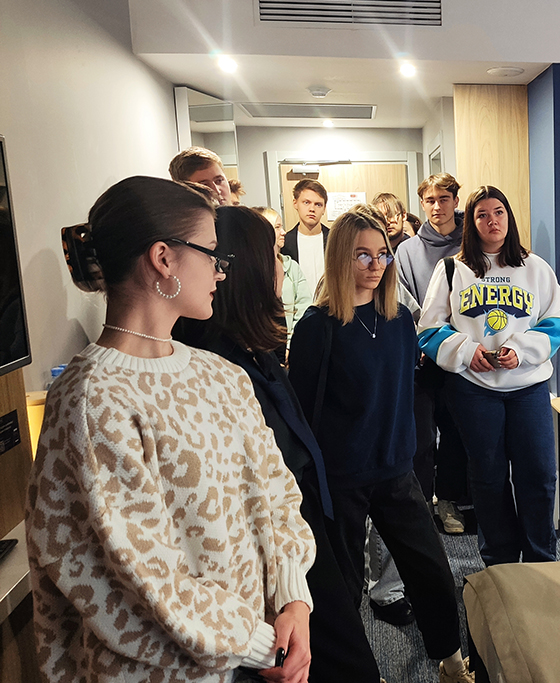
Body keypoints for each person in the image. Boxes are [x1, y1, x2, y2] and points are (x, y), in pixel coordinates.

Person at [28, 176, 315, 683]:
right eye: (211, 253)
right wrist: (261, 646)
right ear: (163, 258)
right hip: (164, 670)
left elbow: (275, 491)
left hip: (254, 647)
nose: (221, 270)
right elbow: (138, 577)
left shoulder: (219, 374)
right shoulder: (94, 398)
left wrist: (294, 600)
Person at [174, 205, 382, 683]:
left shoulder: (255, 347)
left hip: (300, 530)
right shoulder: (216, 366)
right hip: (275, 549)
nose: (281, 265)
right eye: (272, 254)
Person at [288, 205, 474, 683]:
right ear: (340, 258)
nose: (375, 265)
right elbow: (303, 413)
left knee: (432, 572)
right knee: (343, 590)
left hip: (396, 471)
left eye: (382, 254)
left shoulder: (399, 321)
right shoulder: (317, 327)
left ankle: (452, 663)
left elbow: (404, 393)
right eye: (362, 255)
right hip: (341, 480)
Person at [418, 185, 560, 566]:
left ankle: (540, 560)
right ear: (470, 222)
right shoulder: (452, 269)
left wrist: (522, 349)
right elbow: (429, 329)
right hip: (474, 390)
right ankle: (499, 564)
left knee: (539, 474)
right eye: (482, 215)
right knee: (488, 478)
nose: (492, 221)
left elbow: (557, 322)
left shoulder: (535, 268)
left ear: (509, 217)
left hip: (528, 388)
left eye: (499, 212)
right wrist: (466, 351)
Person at [395, 173, 470, 535]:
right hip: (422, 360)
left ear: (456, 200)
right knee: (421, 438)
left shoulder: (471, 245)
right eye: (430, 200)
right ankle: (423, 503)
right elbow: (403, 304)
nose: (437, 207)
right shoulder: (407, 251)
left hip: (461, 357)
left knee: (456, 434)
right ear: (422, 204)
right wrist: (423, 344)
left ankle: (450, 501)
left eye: (444, 199)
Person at [255, 205, 312, 351]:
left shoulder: (291, 267)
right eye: (277, 227)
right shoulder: (251, 270)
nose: (284, 232)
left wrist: (290, 345)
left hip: (290, 346)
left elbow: (303, 308)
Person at [281, 179, 329, 291]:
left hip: (331, 301)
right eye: (306, 202)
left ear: (324, 209)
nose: (312, 209)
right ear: (295, 203)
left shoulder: (336, 239)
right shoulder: (285, 243)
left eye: (318, 204)